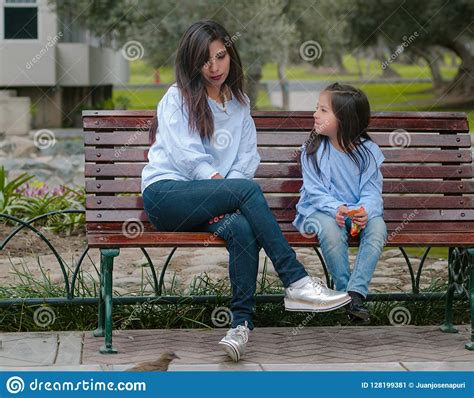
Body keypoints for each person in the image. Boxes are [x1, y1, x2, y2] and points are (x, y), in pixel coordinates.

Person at [141, 21, 350, 362]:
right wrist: (228, 189)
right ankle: (296, 281)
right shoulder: (177, 97)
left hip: (211, 202)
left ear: (230, 55)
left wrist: (228, 193)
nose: (214, 67)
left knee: (240, 228)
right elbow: (189, 158)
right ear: (192, 63)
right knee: (246, 191)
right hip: (167, 196)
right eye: (205, 60)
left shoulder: (238, 103)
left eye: (220, 56)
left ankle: (240, 326)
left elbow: (246, 158)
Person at [293, 83, 387, 325]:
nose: (315, 114)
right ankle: (345, 296)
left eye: (323, 110)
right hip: (320, 211)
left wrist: (365, 211)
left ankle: (355, 294)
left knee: (378, 229)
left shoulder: (368, 153)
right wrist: (336, 208)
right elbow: (314, 192)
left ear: (345, 119)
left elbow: (372, 191)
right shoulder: (312, 151)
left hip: (356, 212)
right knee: (331, 231)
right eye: (317, 108)